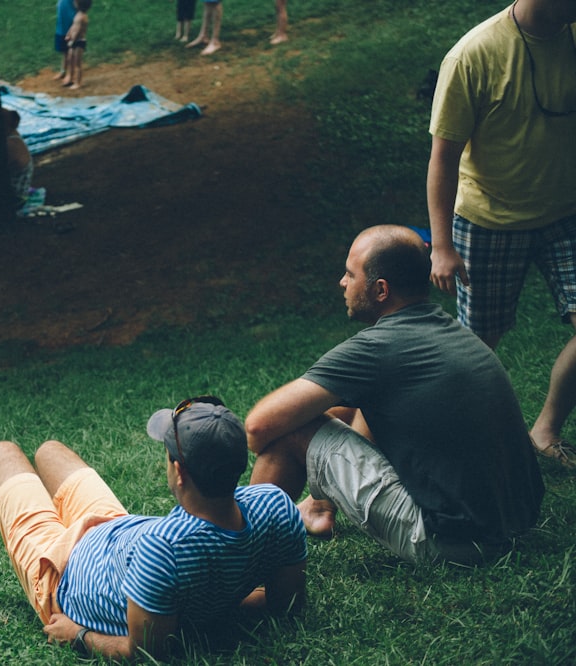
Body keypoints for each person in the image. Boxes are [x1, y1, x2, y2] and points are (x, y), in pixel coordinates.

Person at [0, 397, 307, 662]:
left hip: (62, 572)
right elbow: (283, 602)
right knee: (50, 451)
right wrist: (226, 599)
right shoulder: (275, 506)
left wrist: (79, 634)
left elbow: (144, 651)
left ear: (179, 472)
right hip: (117, 530)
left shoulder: (163, 551)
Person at [244, 225, 544, 565]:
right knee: (348, 400)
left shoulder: (377, 348)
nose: (342, 283)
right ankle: (317, 509)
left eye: (349, 274)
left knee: (293, 429)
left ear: (381, 290)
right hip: (515, 522)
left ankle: (245, 555)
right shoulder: (449, 330)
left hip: (452, 543)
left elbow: (258, 428)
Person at [427, 0, 576, 468]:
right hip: (489, 219)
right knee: (477, 348)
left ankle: (545, 430)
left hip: (565, 214)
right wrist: (442, 245)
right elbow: (443, 158)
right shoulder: (473, 54)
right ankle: (451, 447)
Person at [62, 0, 91, 89]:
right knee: (71, 59)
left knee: (77, 63)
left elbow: (78, 31)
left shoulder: (82, 17)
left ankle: (78, 82)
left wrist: (72, 40)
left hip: (79, 42)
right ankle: (71, 78)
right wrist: (68, 34)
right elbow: (73, 26)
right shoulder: (77, 14)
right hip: (73, 41)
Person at [53, 0, 78, 80]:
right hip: (61, 28)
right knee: (65, 52)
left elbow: (80, 6)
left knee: (72, 53)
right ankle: (63, 72)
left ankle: (71, 74)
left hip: (71, 27)